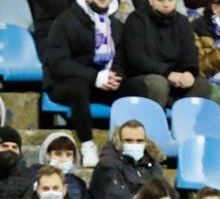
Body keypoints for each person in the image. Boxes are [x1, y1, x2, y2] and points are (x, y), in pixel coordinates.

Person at [44, 0, 148, 167]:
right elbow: (59, 64)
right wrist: (95, 77)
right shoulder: (65, 21)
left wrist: (114, 76)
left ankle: (131, 144)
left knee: (138, 87)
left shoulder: (115, 25)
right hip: (65, 83)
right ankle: (87, 145)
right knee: (79, 87)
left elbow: (121, 61)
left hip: (102, 83)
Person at [121, 0, 209, 109]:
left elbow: (189, 52)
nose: (166, 4)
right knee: (158, 84)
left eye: (170, 0)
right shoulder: (136, 19)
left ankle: (185, 123)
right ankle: (153, 123)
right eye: (161, 0)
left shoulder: (183, 22)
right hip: (143, 76)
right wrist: (167, 73)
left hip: (175, 79)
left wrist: (189, 72)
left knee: (202, 84)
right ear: (151, 1)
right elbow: (136, 58)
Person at [89, 120, 165, 199]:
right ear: (119, 142)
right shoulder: (106, 166)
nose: (134, 145)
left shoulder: (154, 166)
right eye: (128, 141)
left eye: (139, 141)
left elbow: (163, 196)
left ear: (146, 142)